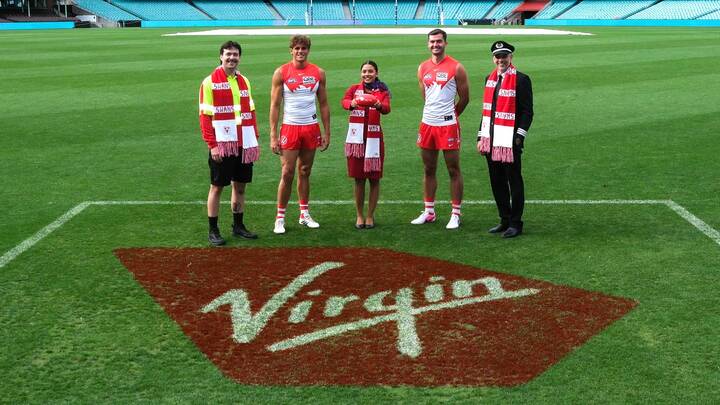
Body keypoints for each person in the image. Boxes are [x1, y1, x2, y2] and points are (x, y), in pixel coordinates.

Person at [198, 40, 260, 246]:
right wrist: (212, 144)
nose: (232, 58)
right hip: (223, 144)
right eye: (228, 54)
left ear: (239, 57)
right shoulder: (209, 82)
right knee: (217, 187)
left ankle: (238, 226)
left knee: (240, 187)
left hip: (243, 142)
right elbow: (205, 116)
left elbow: (250, 110)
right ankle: (213, 230)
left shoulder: (244, 81)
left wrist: (254, 138)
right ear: (221, 57)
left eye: (235, 55)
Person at [269, 35, 330, 234]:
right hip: (290, 127)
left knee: (304, 170)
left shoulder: (318, 72)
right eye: (297, 48)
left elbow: (323, 104)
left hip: (311, 127)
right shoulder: (281, 72)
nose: (300, 51)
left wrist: (327, 132)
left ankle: (304, 214)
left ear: (308, 50)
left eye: (304, 48)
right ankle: (280, 218)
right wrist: (273, 135)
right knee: (287, 172)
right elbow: (275, 105)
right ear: (291, 50)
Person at [411, 28, 470, 230]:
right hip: (427, 124)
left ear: (445, 43)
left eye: (438, 41)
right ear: (428, 44)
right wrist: (434, 115)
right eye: (432, 42)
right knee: (429, 169)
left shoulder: (456, 68)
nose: (435, 45)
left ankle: (455, 213)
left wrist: (450, 116)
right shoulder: (422, 67)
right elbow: (425, 97)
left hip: (448, 126)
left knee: (453, 169)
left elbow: (465, 99)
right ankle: (429, 212)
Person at [477, 40, 534, 238]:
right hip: (491, 139)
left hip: (510, 140)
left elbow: (528, 112)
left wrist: (519, 136)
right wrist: (480, 135)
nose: (501, 59)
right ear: (493, 58)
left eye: (504, 56)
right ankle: (504, 218)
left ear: (511, 57)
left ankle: (516, 223)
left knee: (514, 181)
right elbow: (487, 112)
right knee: (497, 181)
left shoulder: (521, 79)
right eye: (498, 56)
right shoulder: (489, 79)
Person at [341, 60, 392, 229]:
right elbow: (345, 102)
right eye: (364, 71)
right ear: (360, 73)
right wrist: (352, 103)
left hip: (374, 140)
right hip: (356, 140)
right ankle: (359, 215)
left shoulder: (382, 90)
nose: (367, 74)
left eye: (370, 71)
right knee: (359, 179)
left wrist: (378, 104)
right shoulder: (354, 89)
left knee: (374, 179)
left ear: (376, 73)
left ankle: (370, 215)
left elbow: (386, 108)